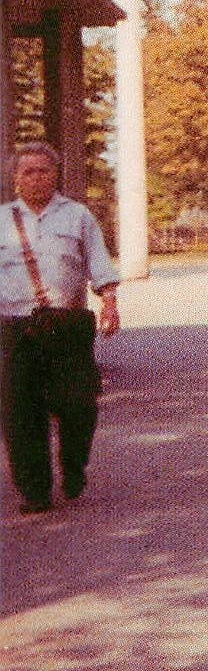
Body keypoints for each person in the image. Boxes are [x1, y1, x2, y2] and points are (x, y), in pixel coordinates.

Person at [1, 142, 120, 515]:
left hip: (67, 325)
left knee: (79, 404)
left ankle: (73, 465)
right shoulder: (2, 220)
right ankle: (35, 490)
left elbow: (98, 263)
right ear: (15, 179)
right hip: (15, 327)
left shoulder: (78, 217)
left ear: (56, 174)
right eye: (28, 172)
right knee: (20, 410)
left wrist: (110, 304)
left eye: (44, 170)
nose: (37, 178)